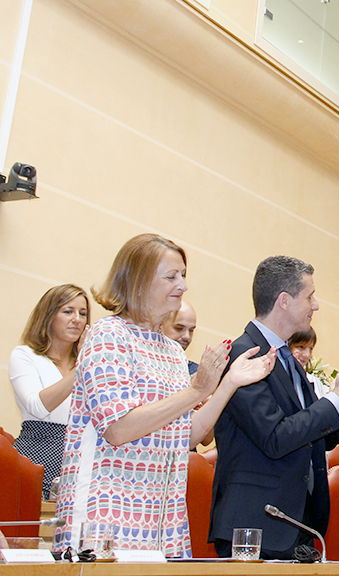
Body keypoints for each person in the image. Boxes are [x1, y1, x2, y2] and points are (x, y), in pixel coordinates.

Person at [52, 234, 276, 557]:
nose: (183, 285)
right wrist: (195, 390)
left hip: (162, 518)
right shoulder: (108, 335)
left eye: (184, 276)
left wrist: (228, 384)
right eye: (172, 276)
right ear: (138, 281)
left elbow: (186, 436)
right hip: (105, 514)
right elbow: (118, 429)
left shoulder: (171, 350)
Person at [210, 256, 339, 559]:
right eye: (310, 296)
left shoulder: (288, 360)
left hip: (297, 524)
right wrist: (336, 399)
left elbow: (319, 438)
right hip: (254, 527)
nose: (316, 305)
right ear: (284, 301)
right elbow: (275, 438)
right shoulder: (243, 354)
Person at [9, 284, 90, 499]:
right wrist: (80, 367)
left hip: (79, 458)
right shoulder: (25, 355)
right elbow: (38, 407)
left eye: (83, 313)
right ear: (48, 315)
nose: (77, 319)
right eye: (68, 311)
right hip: (36, 452)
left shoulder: (89, 364)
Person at [287, 327, 326, 398]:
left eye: (310, 348)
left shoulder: (315, 382)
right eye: (301, 347)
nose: (307, 355)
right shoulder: (279, 377)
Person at [162, 300, 198, 374]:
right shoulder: (140, 362)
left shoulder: (194, 373)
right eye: (179, 328)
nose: (187, 336)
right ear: (160, 326)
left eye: (191, 330)